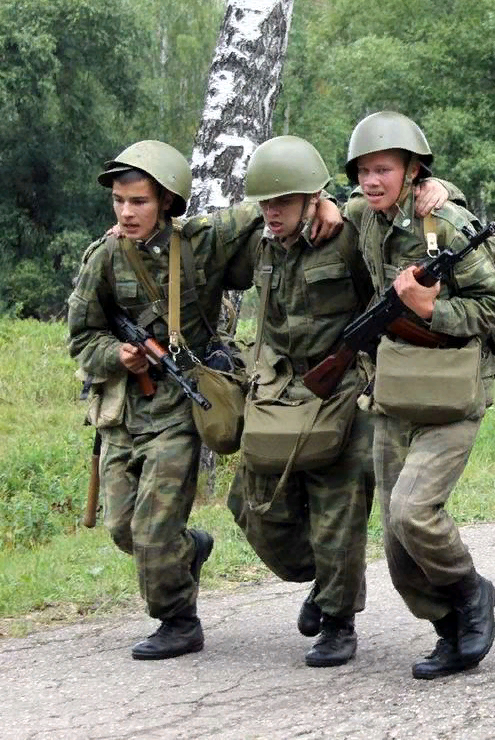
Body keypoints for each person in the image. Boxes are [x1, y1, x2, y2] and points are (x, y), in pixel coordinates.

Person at [67, 139, 342, 659]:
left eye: (139, 202)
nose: (127, 212)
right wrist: (117, 356)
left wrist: (325, 198)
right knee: (125, 530)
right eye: (119, 202)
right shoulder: (103, 257)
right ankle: (190, 550)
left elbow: (277, 194)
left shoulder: (203, 241)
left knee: (151, 530)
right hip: (122, 414)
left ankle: (178, 620)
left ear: (168, 201)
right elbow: (82, 335)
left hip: (181, 408)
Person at [346, 111, 495, 679]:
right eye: (363, 170)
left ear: (413, 171)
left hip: (452, 390)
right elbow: (308, 209)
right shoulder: (364, 218)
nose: (371, 180)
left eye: (383, 169)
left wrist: (429, 309)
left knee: (414, 511)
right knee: (394, 537)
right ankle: (447, 628)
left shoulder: (444, 222)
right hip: (394, 390)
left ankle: (470, 592)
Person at [224, 136, 377, 667]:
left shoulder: (350, 231)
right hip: (278, 390)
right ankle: (322, 579)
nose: (273, 212)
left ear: (314, 197)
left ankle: (339, 622)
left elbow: (417, 201)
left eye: (284, 201)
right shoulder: (255, 240)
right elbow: (189, 238)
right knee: (251, 505)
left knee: (338, 506)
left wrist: (432, 188)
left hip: (342, 389)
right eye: (266, 203)